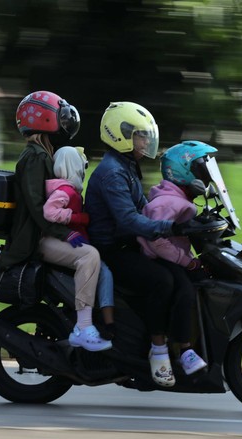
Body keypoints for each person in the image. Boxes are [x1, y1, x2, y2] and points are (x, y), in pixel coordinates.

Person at [85, 101, 192, 387]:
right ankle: (158, 352)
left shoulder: (127, 166)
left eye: (145, 135)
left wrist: (181, 217)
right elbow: (128, 220)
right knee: (161, 281)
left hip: (128, 245)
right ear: (120, 135)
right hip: (112, 250)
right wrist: (170, 226)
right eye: (140, 135)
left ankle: (185, 349)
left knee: (181, 275)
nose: (145, 141)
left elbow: (144, 208)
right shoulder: (112, 172)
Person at [3, 90, 111, 352]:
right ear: (44, 119)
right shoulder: (35, 157)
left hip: (46, 233)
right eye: (59, 117)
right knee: (89, 256)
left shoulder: (43, 155)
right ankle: (83, 327)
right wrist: (66, 234)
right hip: (38, 238)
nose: (63, 124)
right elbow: (37, 206)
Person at [137, 141, 215, 376]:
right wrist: (188, 262)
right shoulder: (167, 203)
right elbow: (157, 241)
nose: (205, 176)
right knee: (184, 290)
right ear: (183, 171)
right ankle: (184, 350)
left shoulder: (179, 199)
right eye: (200, 170)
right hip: (158, 259)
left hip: (172, 258)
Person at [44, 146, 117, 340]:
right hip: (54, 241)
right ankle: (85, 324)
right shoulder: (65, 190)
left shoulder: (69, 190)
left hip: (64, 239)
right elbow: (49, 212)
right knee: (91, 257)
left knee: (104, 270)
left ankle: (103, 321)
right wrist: (78, 218)